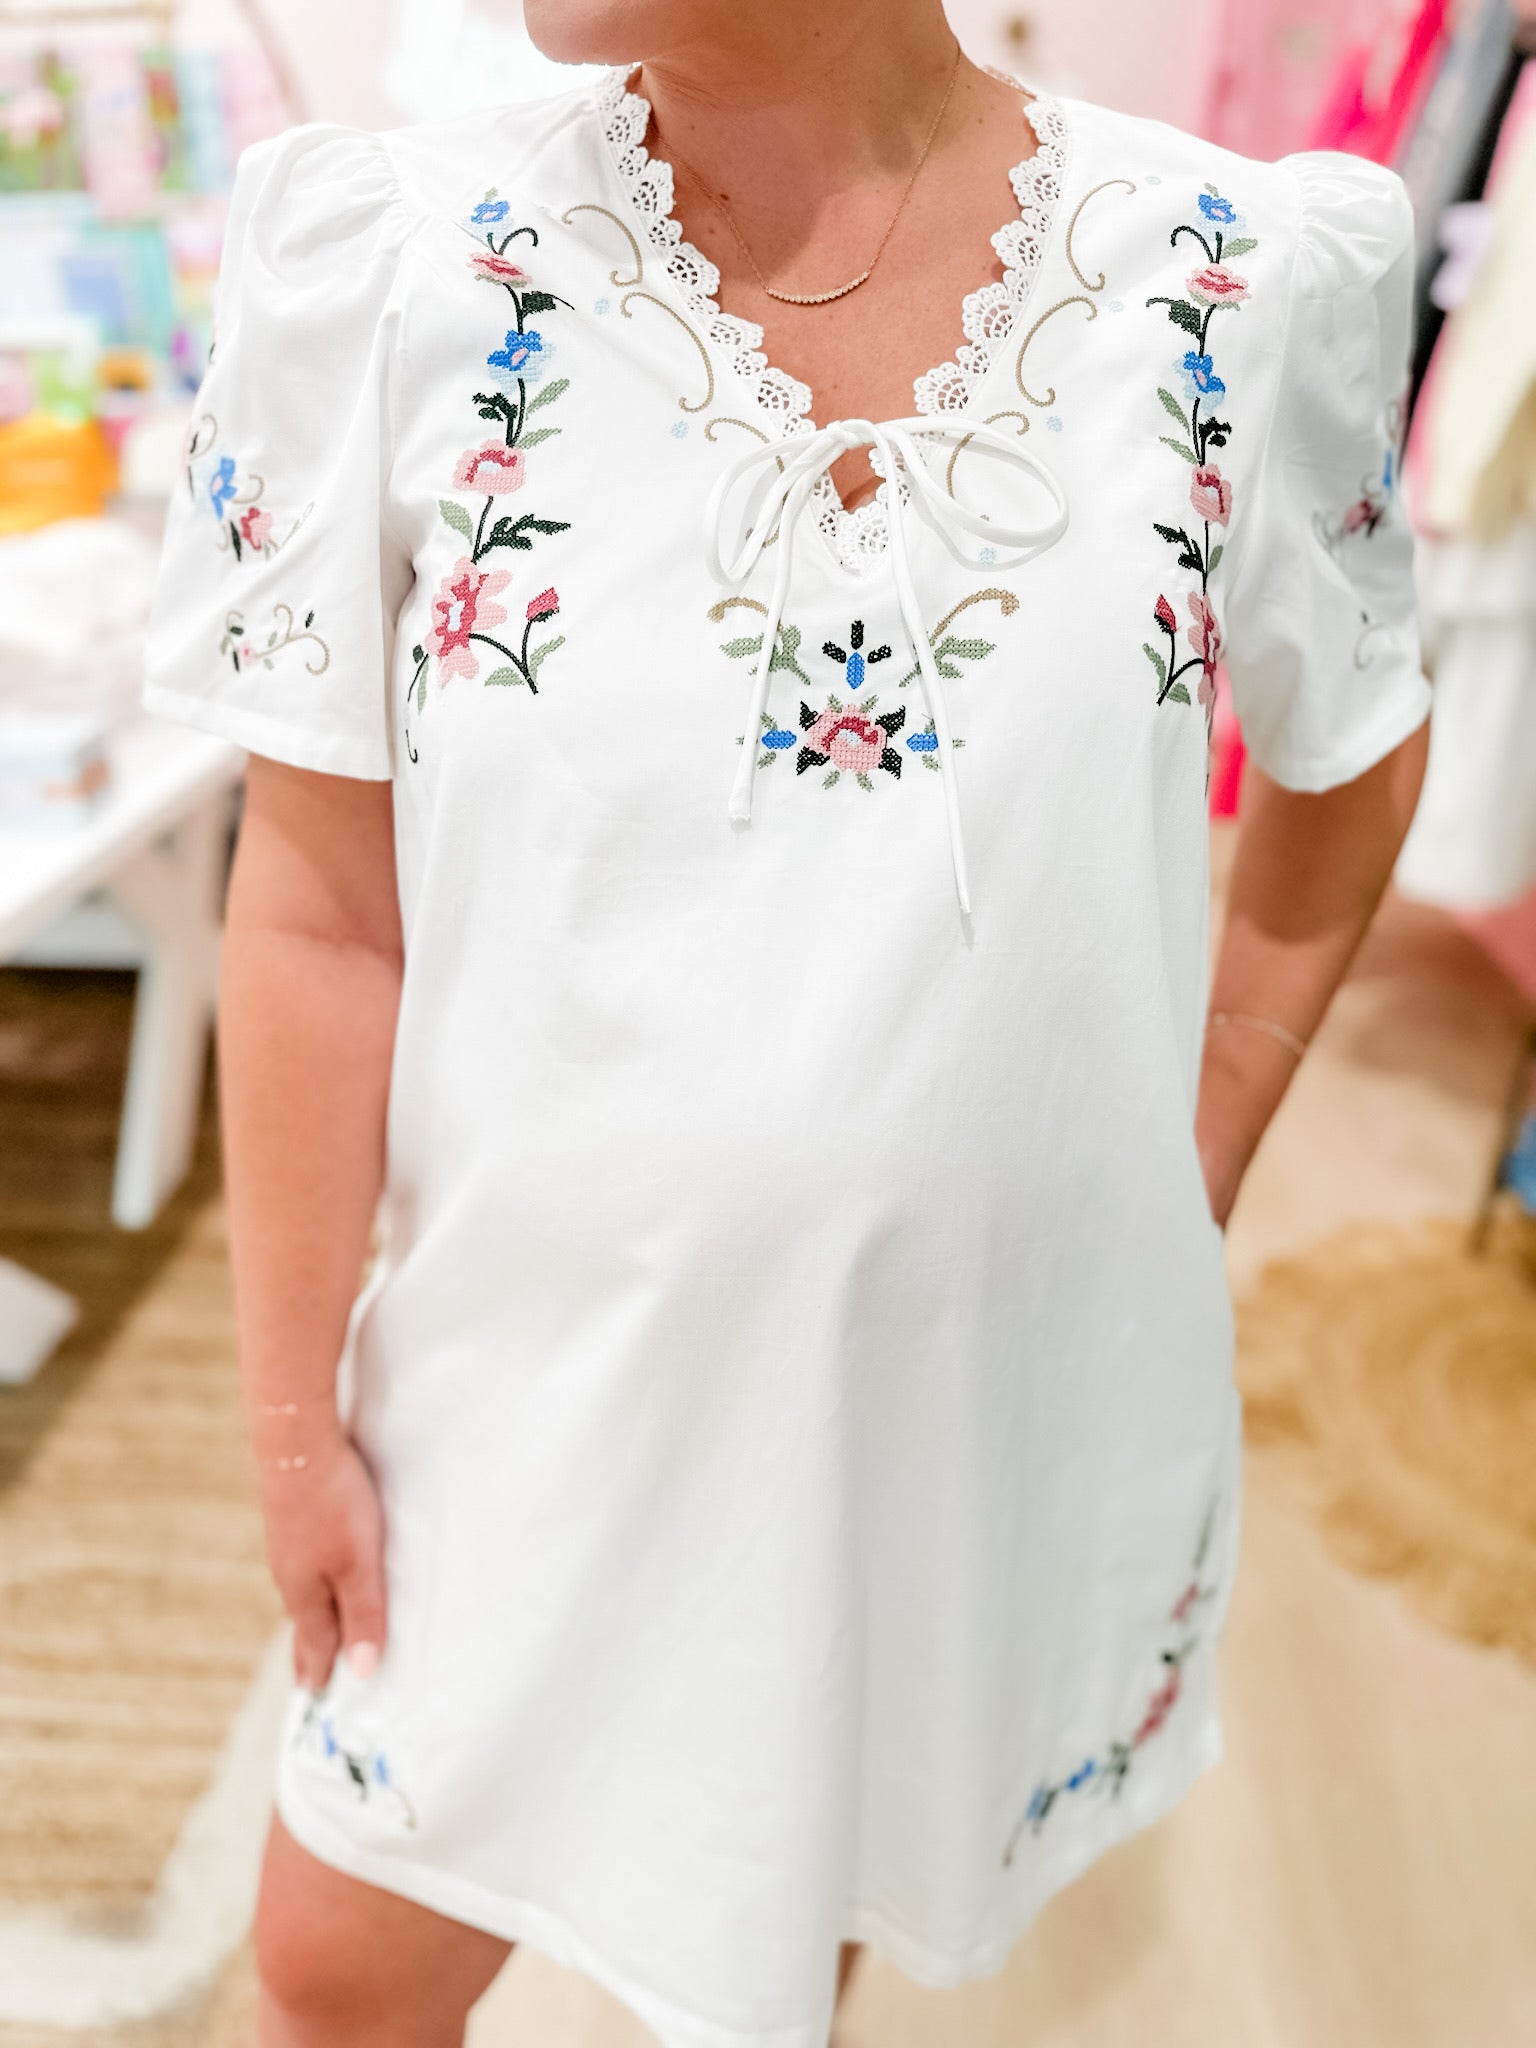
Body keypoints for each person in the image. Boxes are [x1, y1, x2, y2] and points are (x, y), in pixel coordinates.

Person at [146, 2, 1430, 2043]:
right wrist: (292, 1423)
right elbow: (317, 914)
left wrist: (1211, 1114)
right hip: (528, 1384)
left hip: (962, 1395)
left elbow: (1353, 728)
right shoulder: (394, 267)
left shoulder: (1239, 280)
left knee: (802, 1882)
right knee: (338, 1966)